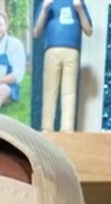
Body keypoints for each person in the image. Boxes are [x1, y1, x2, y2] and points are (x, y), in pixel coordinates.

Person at [33, 0, 92, 131]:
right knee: (49, 91)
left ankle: (67, 129)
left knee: (69, 92)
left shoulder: (78, 2)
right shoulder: (47, 2)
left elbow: (88, 30)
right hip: (51, 50)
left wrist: (80, 10)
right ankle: (47, 128)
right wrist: (45, 9)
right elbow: (36, 32)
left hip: (72, 51)